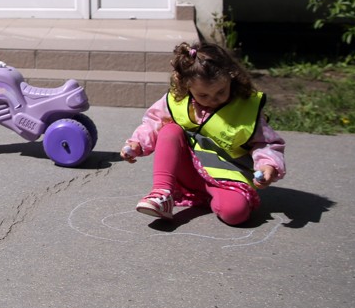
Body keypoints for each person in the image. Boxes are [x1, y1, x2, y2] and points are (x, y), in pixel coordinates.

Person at [120, 41, 286, 225]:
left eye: (221, 92)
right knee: (169, 130)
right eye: (203, 96)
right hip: (189, 172)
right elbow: (153, 123)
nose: (214, 100)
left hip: (226, 176)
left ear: (231, 75)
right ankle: (162, 192)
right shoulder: (177, 99)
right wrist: (137, 144)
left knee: (235, 214)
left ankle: (213, 197)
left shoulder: (246, 107)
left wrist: (268, 165)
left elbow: (266, 143)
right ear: (186, 86)